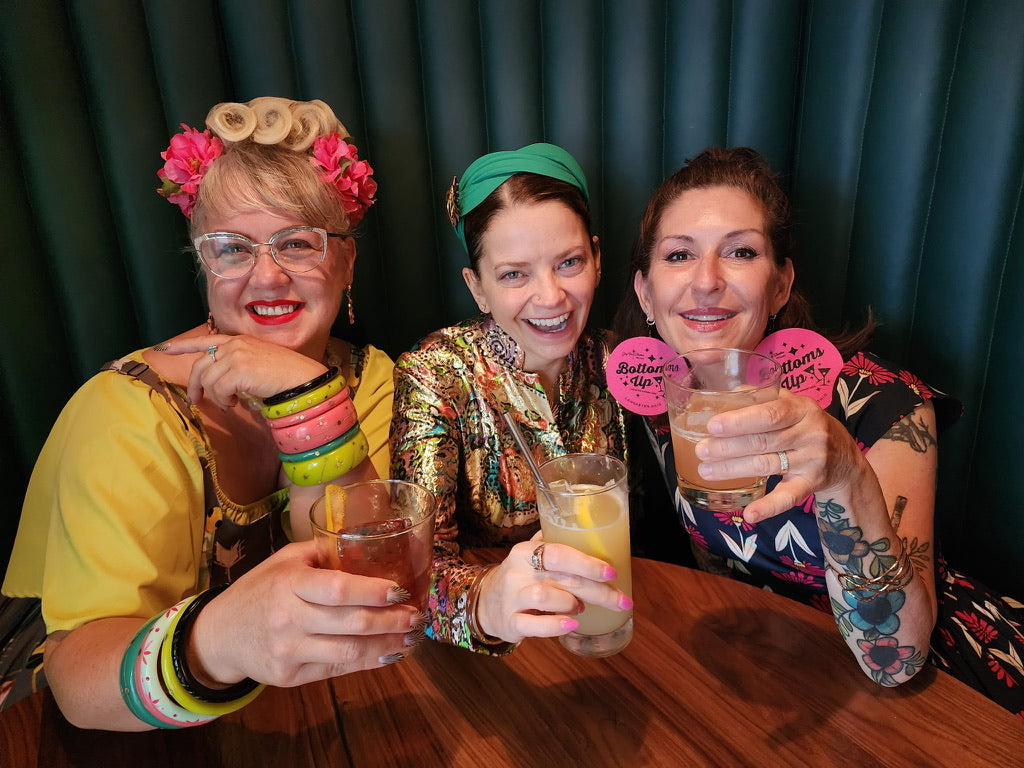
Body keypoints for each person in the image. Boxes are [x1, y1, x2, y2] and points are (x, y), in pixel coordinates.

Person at [0, 97, 422, 728]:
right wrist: (216, 642)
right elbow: (78, 683)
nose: (267, 276)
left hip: (291, 714)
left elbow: (360, 579)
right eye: (232, 248)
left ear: (348, 260)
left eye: (297, 243)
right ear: (203, 262)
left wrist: (306, 400)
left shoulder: (369, 378)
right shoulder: (125, 412)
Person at [614, 146, 1024, 719]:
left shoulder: (882, 404)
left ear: (780, 285)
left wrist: (844, 474)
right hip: (782, 685)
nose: (706, 281)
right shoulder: (661, 403)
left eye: (740, 252)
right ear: (645, 293)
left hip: (950, 688)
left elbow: (897, 661)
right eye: (679, 254)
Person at [390, 144, 632, 652]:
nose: (550, 297)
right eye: (514, 274)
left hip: (614, 627)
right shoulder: (437, 372)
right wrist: (486, 603)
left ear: (597, 258)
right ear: (477, 288)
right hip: (495, 659)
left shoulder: (622, 363)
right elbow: (412, 572)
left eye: (569, 263)